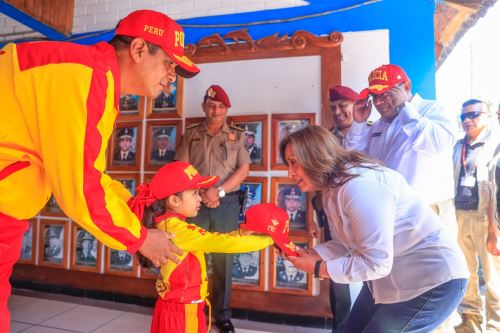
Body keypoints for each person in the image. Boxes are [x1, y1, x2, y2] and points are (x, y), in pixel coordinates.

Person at [0, 9, 200, 330]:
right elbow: (81, 189)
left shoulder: (95, 77)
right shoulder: (85, 75)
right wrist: (139, 238)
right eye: (168, 63)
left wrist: (132, 209)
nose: (171, 76)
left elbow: (90, 174)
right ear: (137, 50)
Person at [281, 125, 469, 333]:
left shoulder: (358, 186)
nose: (290, 173)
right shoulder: (330, 190)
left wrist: (318, 268)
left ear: (314, 156)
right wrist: (314, 254)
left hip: (431, 281)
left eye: (293, 163)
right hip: (387, 283)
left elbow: (377, 262)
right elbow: (347, 244)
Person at [128, 161, 293, 333]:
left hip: (184, 308)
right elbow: (221, 243)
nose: (200, 198)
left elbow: (212, 239)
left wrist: (241, 233)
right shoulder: (177, 230)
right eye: (194, 194)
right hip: (182, 314)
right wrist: (268, 240)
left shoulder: (172, 224)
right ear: (174, 200)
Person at [346, 64, 458, 239]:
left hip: (428, 215)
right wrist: (359, 123)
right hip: (389, 215)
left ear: (406, 88)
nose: (379, 102)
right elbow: (355, 161)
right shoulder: (378, 125)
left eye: (387, 95)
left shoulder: (433, 110)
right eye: (375, 97)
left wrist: (404, 108)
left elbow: (438, 144)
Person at [175, 84, 250, 333]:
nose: (215, 110)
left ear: (226, 109)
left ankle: (223, 316)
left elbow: (243, 170)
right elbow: (181, 167)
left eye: (220, 107)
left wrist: (217, 192)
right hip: (194, 203)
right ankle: (190, 308)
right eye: (211, 106)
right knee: (191, 256)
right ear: (204, 108)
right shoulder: (191, 134)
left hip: (225, 203)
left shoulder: (237, 136)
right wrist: (201, 193)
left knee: (223, 261)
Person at [452, 99, 500, 333]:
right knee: (466, 271)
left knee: (493, 275)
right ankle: (469, 320)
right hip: (460, 216)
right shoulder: (456, 145)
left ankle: (495, 324)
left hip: (487, 217)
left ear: (488, 115)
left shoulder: (496, 144)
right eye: (463, 116)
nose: (467, 120)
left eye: (474, 114)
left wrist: (494, 228)